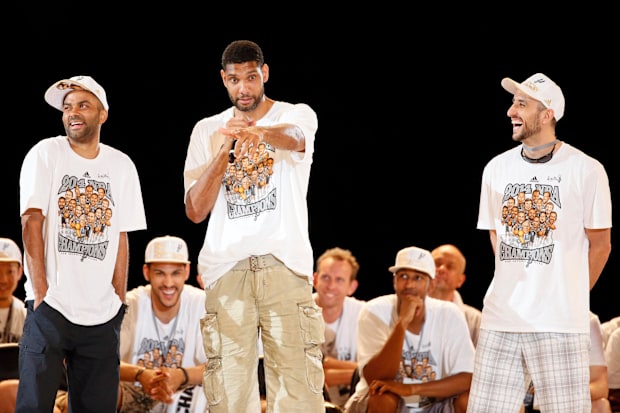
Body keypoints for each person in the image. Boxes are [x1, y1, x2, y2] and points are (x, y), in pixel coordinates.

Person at [183, 40, 324, 412]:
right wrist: (224, 149)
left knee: (298, 390)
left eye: (250, 77)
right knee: (228, 393)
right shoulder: (206, 130)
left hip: (284, 265)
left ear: (264, 73)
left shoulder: (296, 113)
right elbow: (195, 210)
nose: (243, 88)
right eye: (233, 80)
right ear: (223, 80)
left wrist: (258, 132)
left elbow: (296, 139)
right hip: (227, 271)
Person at [468, 73, 612, 412]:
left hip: (560, 324)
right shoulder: (496, 168)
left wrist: (569, 297)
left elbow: (601, 245)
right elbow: (496, 233)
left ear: (547, 114)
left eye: (521, 104)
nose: (510, 112)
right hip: (501, 319)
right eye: (513, 102)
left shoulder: (586, 170)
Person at [16, 75, 147, 412]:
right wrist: (41, 290)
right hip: (52, 309)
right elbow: (31, 220)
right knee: (33, 407)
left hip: (102, 315)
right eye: (67, 107)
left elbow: (121, 234)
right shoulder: (46, 153)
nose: (72, 112)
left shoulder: (122, 166)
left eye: (82, 105)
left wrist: (119, 297)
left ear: (102, 114)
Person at [344, 246, 475, 413]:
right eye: (403, 276)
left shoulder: (449, 313)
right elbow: (374, 379)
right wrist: (402, 323)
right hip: (388, 397)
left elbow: (468, 378)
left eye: (418, 278)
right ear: (394, 281)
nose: (409, 284)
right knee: (382, 398)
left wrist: (412, 389)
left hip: (432, 399)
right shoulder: (373, 311)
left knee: (469, 400)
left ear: (431, 284)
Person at [520, 311, 612, 413]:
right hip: (524, 398)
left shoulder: (587, 320)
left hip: (565, 400)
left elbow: (601, 386)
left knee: (601, 405)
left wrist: (560, 392)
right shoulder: (519, 315)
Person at [313, 247, 365, 408]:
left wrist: (326, 368)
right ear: (315, 280)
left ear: (352, 287)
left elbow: (380, 370)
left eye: (339, 280)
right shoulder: (296, 311)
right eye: (326, 277)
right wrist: (360, 372)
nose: (331, 286)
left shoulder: (365, 314)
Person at [429, 244, 481, 347]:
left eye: (450, 266)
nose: (442, 269)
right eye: (437, 263)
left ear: (460, 280)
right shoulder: (405, 310)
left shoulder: (475, 321)